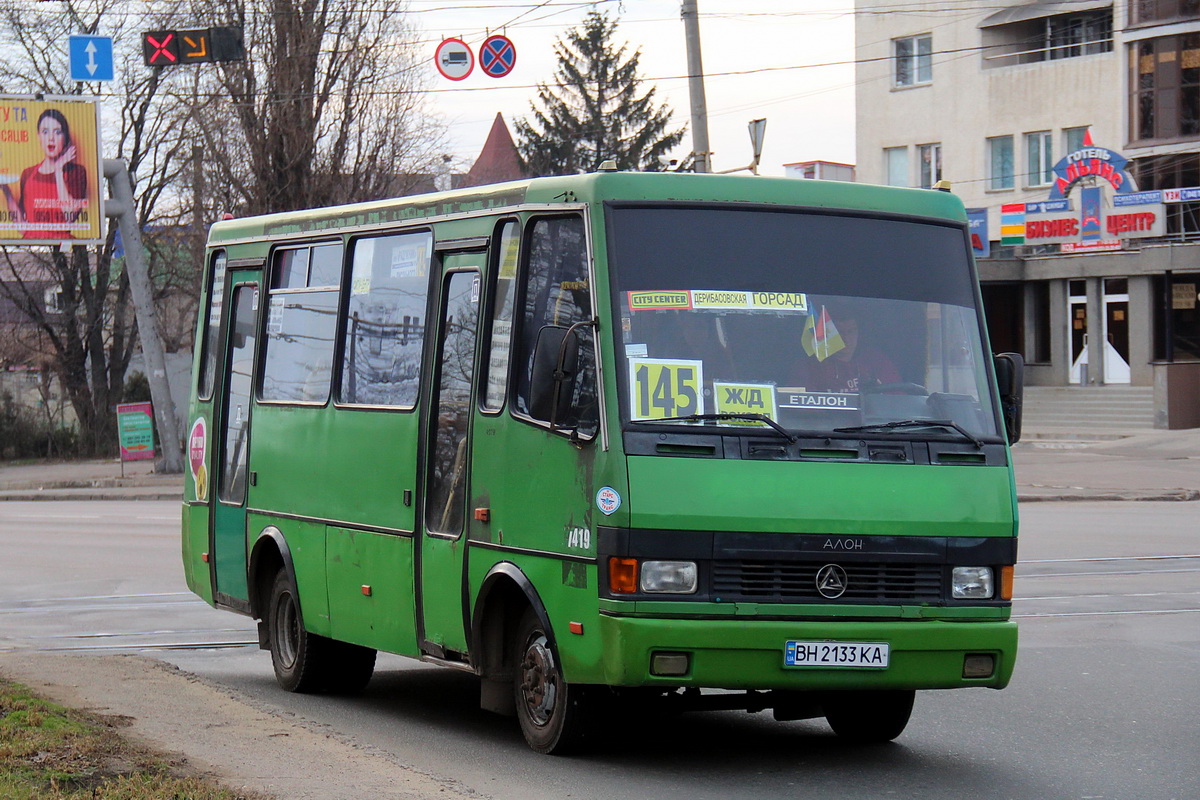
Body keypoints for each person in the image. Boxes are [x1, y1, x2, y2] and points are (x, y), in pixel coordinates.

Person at [6, 109, 88, 239]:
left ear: (65, 137)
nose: (51, 138)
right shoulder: (28, 173)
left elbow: (70, 216)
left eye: (57, 132)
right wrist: (6, 190)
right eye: (45, 132)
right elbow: (22, 227)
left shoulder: (77, 172)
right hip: (30, 243)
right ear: (38, 136)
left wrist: (58, 170)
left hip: (64, 242)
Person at [794, 312, 899, 393]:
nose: (846, 339)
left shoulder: (876, 361)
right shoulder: (812, 365)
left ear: (858, 333)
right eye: (840, 333)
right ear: (828, 335)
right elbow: (800, 401)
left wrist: (879, 392)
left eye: (851, 331)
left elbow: (899, 398)